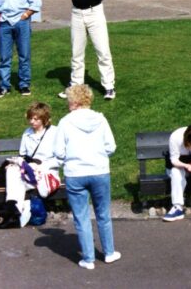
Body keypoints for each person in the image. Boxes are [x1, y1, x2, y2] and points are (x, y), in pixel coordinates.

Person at [54, 84, 120, 270]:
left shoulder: (65, 122)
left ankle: (88, 259)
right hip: (99, 170)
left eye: (69, 100)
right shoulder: (100, 119)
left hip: (75, 173)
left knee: (81, 217)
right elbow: (111, 146)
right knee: (103, 214)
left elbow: (58, 151)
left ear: (74, 101)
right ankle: (109, 252)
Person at [60, 0, 116, 101]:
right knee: (76, 53)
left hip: (95, 13)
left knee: (103, 51)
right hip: (77, 13)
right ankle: (75, 86)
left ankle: (109, 86)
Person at [0, 102, 60, 229]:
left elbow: (61, 159)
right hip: (30, 171)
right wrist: (16, 163)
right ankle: (13, 211)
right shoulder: (27, 133)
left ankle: (14, 213)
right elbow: (22, 155)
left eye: (36, 119)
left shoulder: (55, 132)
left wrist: (41, 166)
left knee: (16, 181)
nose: (32, 121)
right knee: (12, 171)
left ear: (44, 119)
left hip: (47, 173)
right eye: (30, 118)